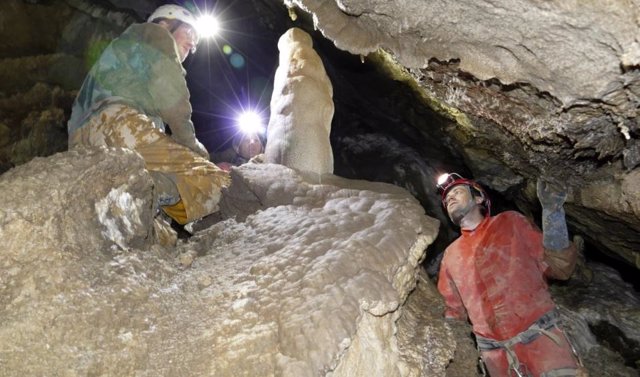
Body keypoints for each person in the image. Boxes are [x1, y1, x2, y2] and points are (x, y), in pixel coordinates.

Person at [67, 4, 229, 229]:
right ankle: (138, 200)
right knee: (214, 180)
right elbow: (174, 102)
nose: (194, 44)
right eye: (190, 32)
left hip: (83, 142)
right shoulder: (155, 33)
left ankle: (131, 207)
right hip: (118, 124)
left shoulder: (127, 54)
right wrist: (195, 150)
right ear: (166, 23)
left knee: (161, 215)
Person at [435, 173, 588, 377]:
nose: (450, 198)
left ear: (479, 198)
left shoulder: (511, 222)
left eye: (457, 192)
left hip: (543, 342)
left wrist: (553, 214)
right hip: (497, 358)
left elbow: (559, 266)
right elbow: (452, 312)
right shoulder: (451, 255)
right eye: (446, 199)